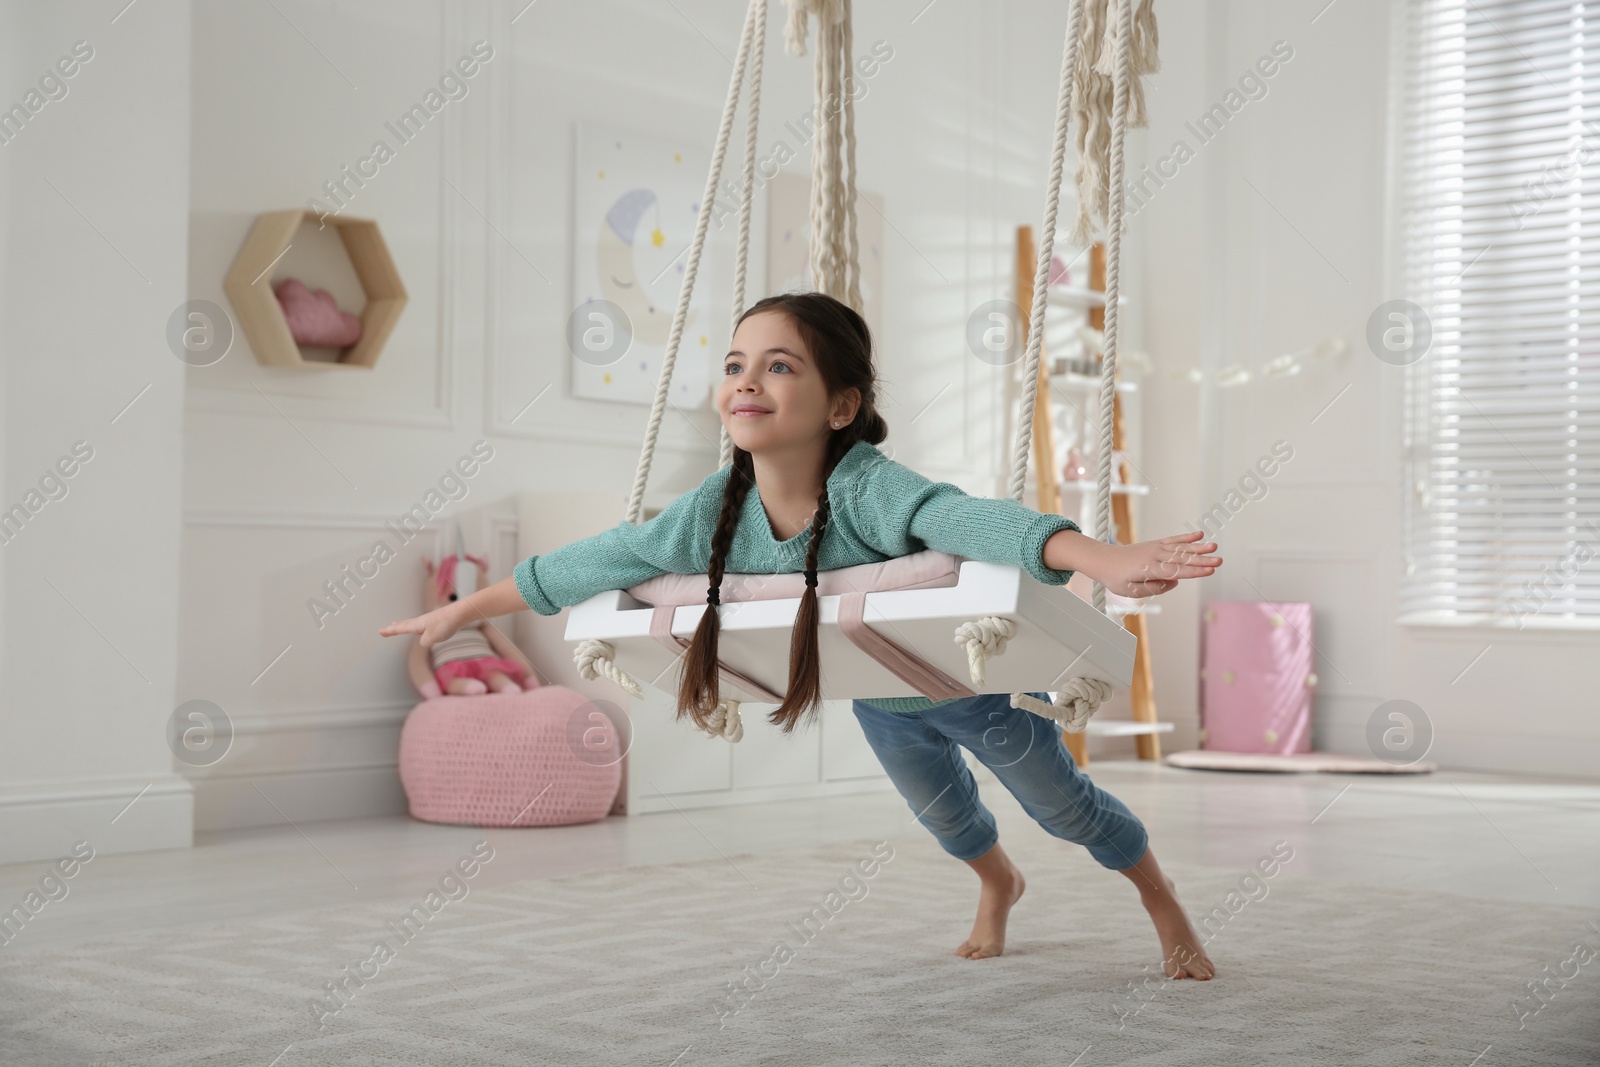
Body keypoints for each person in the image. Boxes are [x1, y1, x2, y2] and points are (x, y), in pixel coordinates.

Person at [381, 291, 1220, 978]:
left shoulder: (866, 488)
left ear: (842, 404)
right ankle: (998, 881)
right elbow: (598, 558)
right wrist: (464, 610)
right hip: (883, 705)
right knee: (948, 822)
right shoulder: (715, 508)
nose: (747, 381)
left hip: (970, 688)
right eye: (737, 364)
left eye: (779, 366)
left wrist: (1101, 557)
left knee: (1064, 807)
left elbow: (970, 519)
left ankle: (1159, 895)